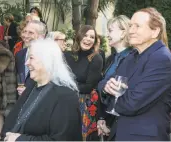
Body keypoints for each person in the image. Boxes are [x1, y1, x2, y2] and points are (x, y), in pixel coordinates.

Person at [104, 7, 171, 141]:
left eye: (137, 26)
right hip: (121, 133)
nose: (131, 30)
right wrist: (107, 89)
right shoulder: (132, 55)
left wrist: (110, 97)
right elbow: (106, 82)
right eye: (130, 26)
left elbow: (132, 104)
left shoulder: (162, 59)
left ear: (155, 31)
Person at [0, 39, 82, 141]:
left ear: (46, 60)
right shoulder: (31, 86)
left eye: (31, 58)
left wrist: (20, 139)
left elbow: (61, 139)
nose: (26, 63)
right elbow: (12, 120)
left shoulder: (65, 96)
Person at [64, 25, 103, 141]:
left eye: (92, 37)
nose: (88, 39)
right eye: (85, 35)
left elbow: (88, 87)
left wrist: (67, 86)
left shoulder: (96, 58)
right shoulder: (67, 55)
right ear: (78, 36)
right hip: (65, 100)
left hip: (83, 104)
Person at [96, 15, 131, 141]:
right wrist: (101, 118)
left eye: (110, 30)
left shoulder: (133, 59)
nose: (107, 34)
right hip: (106, 118)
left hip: (122, 122)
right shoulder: (111, 58)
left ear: (123, 33)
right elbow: (102, 86)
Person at [15, 20, 47, 96]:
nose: (25, 36)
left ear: (41, 36)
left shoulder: (48, 57)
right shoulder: (19, 54)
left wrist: (29, 92)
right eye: (25, 31)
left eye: (30, 32)